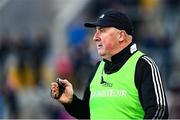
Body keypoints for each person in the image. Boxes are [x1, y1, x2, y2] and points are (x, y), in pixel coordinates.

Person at [51, 9, 169, 119]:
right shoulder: (98, 68)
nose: (95, 37)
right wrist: (71, 102)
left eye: (102, 30)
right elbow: (88, 114)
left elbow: (159, 112)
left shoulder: (144, 65)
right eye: (95, 31)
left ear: (121, 36)